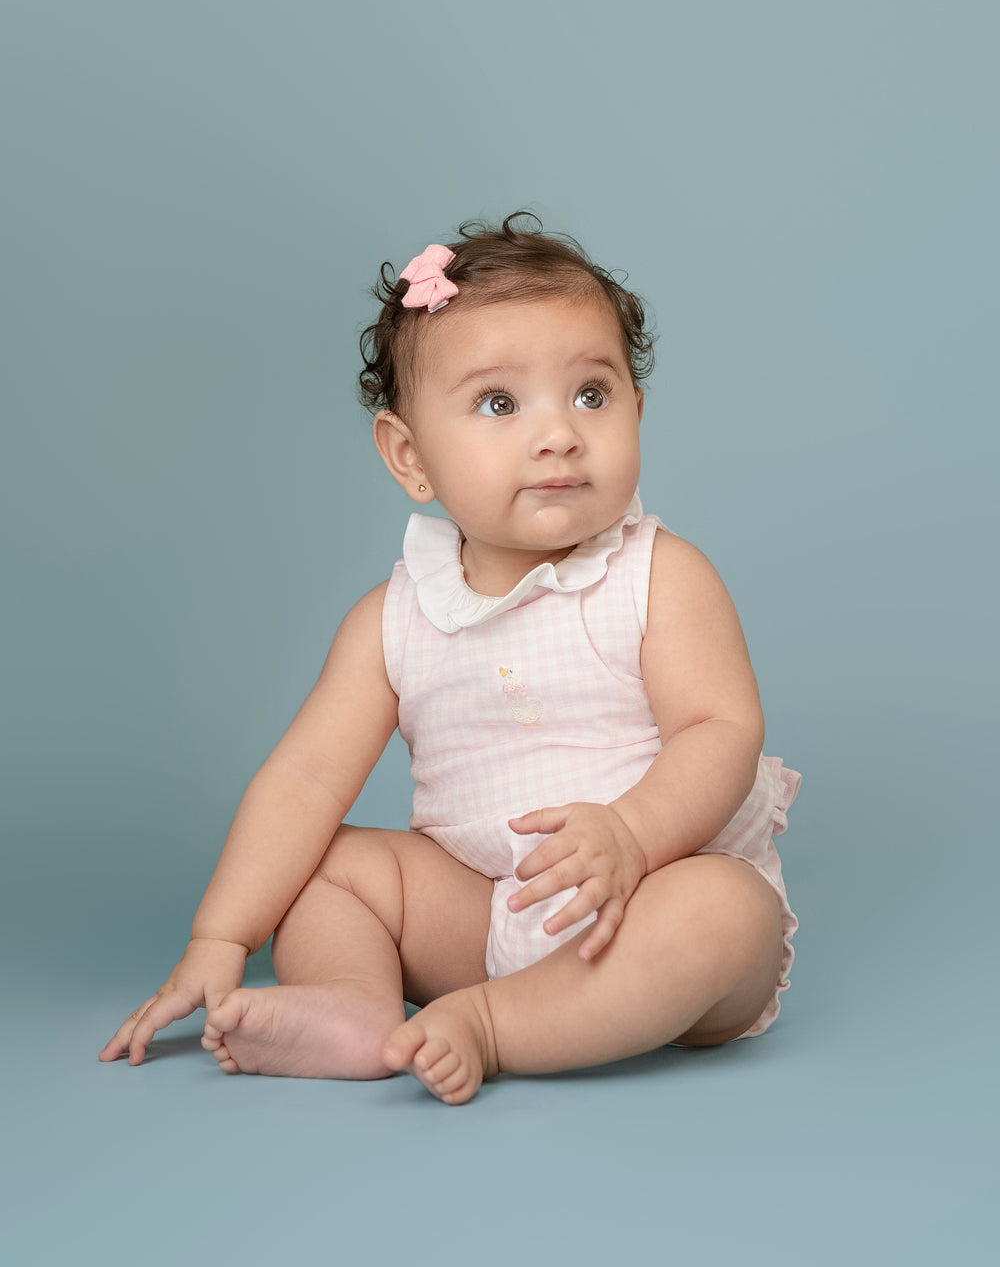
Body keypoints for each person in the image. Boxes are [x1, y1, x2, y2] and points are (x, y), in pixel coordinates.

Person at [100, 212, 800, 1105]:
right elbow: (305, 780)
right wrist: (220, 938)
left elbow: (722, 729)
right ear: (410, 455)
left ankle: (493, 1025)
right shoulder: (393, 620)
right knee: (320, 865)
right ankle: (356, 1007)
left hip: (647, 896)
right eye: (500, 404)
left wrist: (632, 832)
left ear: (635, 404)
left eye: (592, 393)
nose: (559, 434)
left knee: (726, 913)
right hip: (476, 913)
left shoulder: (658, 575)